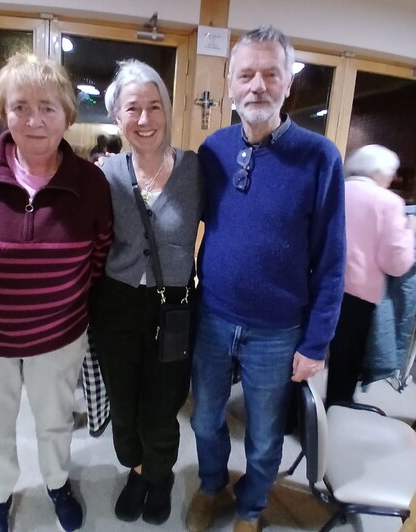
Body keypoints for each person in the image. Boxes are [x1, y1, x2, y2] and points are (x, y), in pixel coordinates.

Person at [0, 53, 113, 532]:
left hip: (57, 339)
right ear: (4, 112)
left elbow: (98, 254)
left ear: (67, 116)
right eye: (20, 107)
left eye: (47, 108)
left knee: (54, 423)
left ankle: (57, 483)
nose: (34, 120)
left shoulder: (90, 182)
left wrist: (64, 303)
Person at [186, 26, 346, 532]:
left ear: (287, 84)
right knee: (205, 419)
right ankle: (212, 485)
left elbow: (332, 259)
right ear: (231, 83)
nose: (257, 85)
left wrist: (316, 342)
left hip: (278, 331)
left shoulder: (320, 157)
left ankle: (251, 507)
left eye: (271, 74)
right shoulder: (212, 149)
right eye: (246, 74)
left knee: (264, 436)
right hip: (212, 317)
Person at [88, 59, 203, 526]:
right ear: (117, 116)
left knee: (161, 406)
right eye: (132, 108)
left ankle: (159, 475)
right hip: (116, 304)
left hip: (174, 305)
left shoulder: (196, 169)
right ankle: (136, 469)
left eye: (155, 106)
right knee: (125, 402)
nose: (144, 118)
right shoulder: (105, 173)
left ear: (167, 111)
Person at [326, 144, 415, 404]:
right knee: (346, 360)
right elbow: (396, 263)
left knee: (304, 352)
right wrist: (409, 232)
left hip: (319, 285)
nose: (392, 178)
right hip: (358, 293)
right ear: (379, 171)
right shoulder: (389, 202)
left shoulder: (334, 190)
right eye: (391, 172)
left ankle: (294, 413)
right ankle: (336, 410)